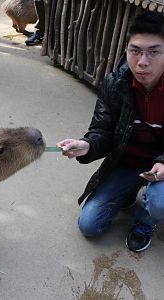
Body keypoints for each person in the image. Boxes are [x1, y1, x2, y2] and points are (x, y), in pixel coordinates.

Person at [57, 11, 164, 252]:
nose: (142, 61)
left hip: (161, 170)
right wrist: (88, 145)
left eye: (154, 52)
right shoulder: (116, 83)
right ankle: (128, 191)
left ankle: (146, 221)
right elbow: (102, 129)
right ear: (126, 49)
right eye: (135, 50)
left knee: (160, 201)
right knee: (89, 225)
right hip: (127, 162)